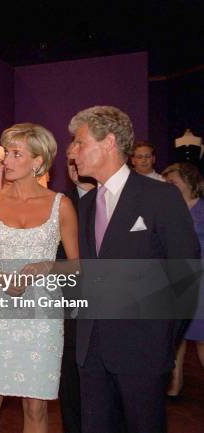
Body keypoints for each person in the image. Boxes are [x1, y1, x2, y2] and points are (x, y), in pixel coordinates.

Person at [70, 106, 200, 433]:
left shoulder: (161, 197)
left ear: (109, 142)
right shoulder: (83, 206)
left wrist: (162, 339)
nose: (72, 151)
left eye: (80, 142)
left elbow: (185, 274)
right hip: (92, 352)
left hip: (143, 350)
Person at [0, 123, 79, 433]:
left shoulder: (61, 206)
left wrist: (46, 267)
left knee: (36, 407)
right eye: (6, 153)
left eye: (17, 154)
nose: (7, 161)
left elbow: (76, 266)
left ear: (37, 161)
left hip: (43, 316)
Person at [57, 142, 95, 433]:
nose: (75, 167)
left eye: (77, 161)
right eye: (69, 164)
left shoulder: (113, 203)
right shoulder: (56, 204)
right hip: (68, 306)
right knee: (70, 380)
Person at [161, 163, 204, 396]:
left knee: (200, 337)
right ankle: (174, 385)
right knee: (176, 335)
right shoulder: (169, 209)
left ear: (188, 183)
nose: (170, 188)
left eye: (173, 183)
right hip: (176, 279)